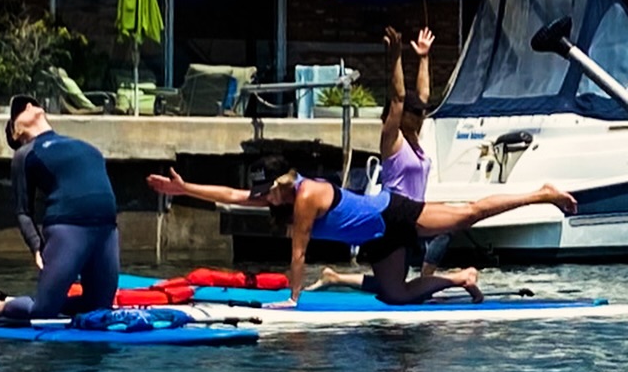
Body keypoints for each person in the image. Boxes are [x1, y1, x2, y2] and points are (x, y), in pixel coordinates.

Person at [147, 158, 576, 302]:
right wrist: (184, 189)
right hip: (378, 238)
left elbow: (298, 253)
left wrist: (293, 302)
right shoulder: (278, 194)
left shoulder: (307, 196)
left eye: (270, 193)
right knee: (395, 295)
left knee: (468, 214)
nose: (264, 200)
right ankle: (462, 278)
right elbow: (233, 194)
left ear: (285, 182)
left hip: (395, 215)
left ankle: (541, 193)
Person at [0, 94, 120, 321]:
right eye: (22, 110)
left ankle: (54, 301)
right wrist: (36, 246)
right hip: (68, 229)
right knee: (42, 312)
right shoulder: (25, 154)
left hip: (107, 229)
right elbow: (23, 211)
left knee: (99, 308)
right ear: (16, 131)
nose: (30, 105)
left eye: (31, 103)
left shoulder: (82, 145)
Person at [379, 24, 449, 272]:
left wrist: (423, 58)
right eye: (415, 114)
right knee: (393, 285)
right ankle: (423, 283)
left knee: (445, 229)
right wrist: (396, 57)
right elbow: (398, 98)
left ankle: (424, 281)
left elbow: (423, 96)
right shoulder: (392, 140)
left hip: (415, 218)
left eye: (421, 114)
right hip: (395, 218)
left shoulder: (415, 140)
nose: (420, 117)